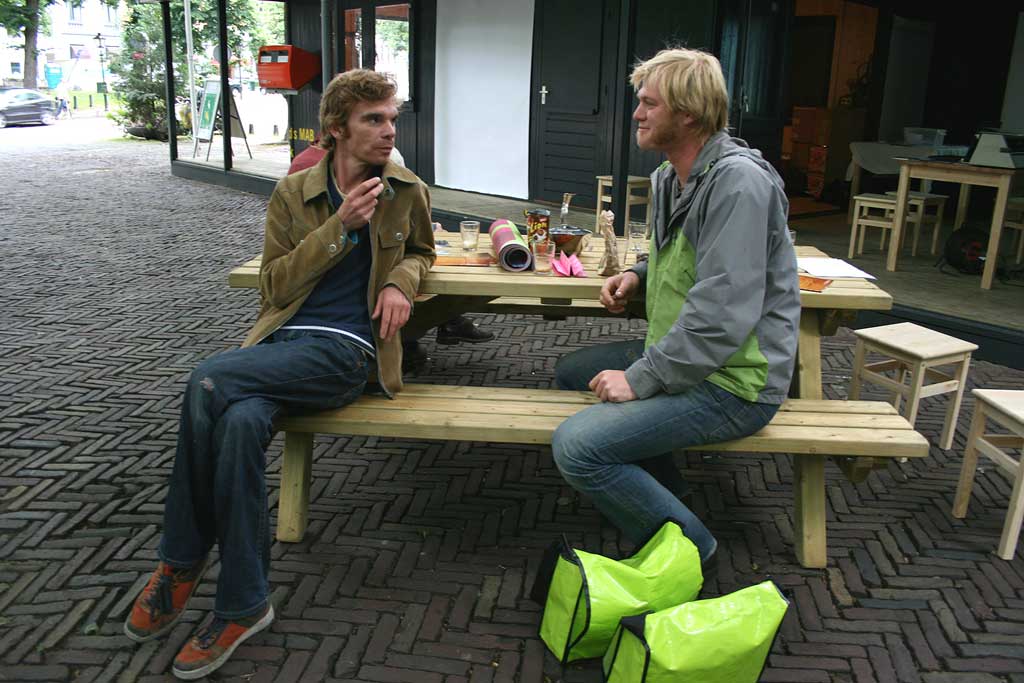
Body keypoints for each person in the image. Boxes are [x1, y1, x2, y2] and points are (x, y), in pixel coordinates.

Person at [123, 69, 436, 680]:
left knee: (208, 380)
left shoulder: (406, 190)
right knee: (239, 423)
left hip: (349, 353)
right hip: (282, 343)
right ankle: (245, 604)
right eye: (373, 119)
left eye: (392, 119)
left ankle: (180, 560)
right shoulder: (293, 193)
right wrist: (339, 229)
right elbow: (272, 286)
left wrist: (401, 281)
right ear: (337, 127)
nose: (389, 131)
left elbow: (423, 251)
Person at [550, 48, 800, 565]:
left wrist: (641, 378)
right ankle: (669, 496)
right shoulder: (671, 176)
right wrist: (637, 276)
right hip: (690, 359)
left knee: (577, 447)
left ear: (688, 113)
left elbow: (722, 313)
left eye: (649, 103)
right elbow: (679, 257)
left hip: (735, 382)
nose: (636, 114)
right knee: (573, 371)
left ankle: (691, 549)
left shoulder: (739, 185)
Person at [289, 140, 495, 357]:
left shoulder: (391, 179)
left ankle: (434, 327)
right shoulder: (312, 175)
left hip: (344, 317)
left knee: (421, 277)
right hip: (335, 317)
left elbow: (416, 246)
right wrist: (342, 225)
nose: (388, 132)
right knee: (423, 282)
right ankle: (420, 333)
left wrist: (400, 279)